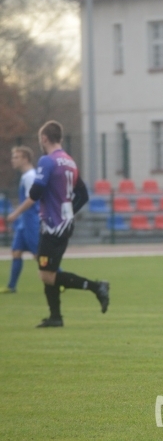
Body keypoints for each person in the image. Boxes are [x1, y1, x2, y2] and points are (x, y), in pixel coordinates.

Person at [6, 121, 109, 327]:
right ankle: (55, 317)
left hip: (52, 225)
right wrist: (69, 211)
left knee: (46, 274)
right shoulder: (69, 161)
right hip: (64, 224)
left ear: (44, 138)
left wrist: (43, 195)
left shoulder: (47, 160)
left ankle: (97, 287)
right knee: (49, 272)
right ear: (60, 138)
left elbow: (35, 192)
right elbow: (83, 194)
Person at [1, 147, 40, 294]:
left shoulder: (30, 176)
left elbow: (32, 198)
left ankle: (60, 281)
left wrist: (15, 213)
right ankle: (11, 286)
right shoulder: (25, 176)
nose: (13, 160)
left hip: (31, 221)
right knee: (16, 252)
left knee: (39, 256)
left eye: (16, 157)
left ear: (25, 159)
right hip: (24, 222)